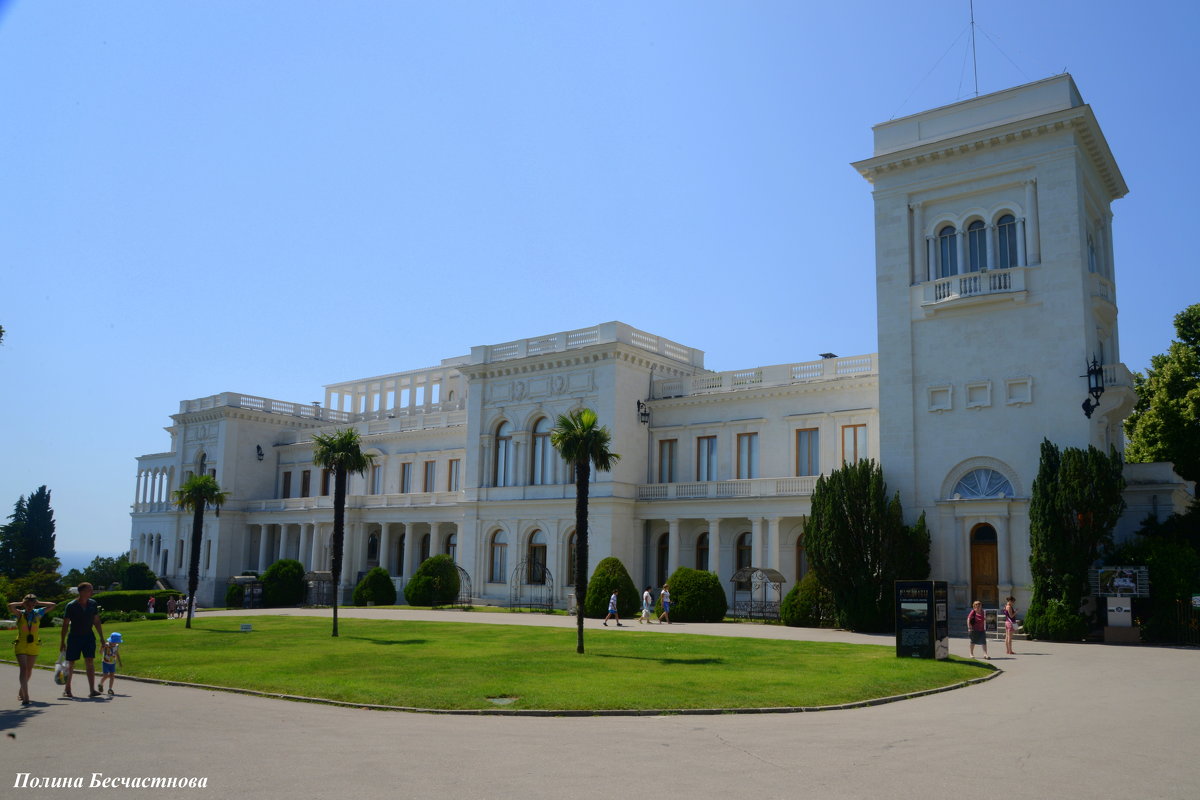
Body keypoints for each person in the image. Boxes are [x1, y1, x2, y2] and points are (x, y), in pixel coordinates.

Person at [59, 582, 104, 698]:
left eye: (91, 589)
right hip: (74, 637)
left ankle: (92, 690)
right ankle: (67, 688)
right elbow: (65, 625)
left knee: (90, 661)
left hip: (88, 637)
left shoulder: (93, 604)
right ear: (81, 592)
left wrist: (102, 638)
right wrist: (62, 641)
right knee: (71, 663)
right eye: (89, 590)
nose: (91, 592)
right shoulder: (71, 606)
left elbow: (97, 621)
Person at [9, 594, 55, 706]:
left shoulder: (38, 613)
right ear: (24, 604)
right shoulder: (20, 614)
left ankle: (22, 690)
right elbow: (10, 606)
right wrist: (21, 603)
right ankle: (26, 696)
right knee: (23, 669)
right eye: (28, 604)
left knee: (29, 670)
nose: (30, 606)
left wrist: (38, 603)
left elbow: (53, 605)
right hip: (21, 644)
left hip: (34, 644)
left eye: (32, 604)